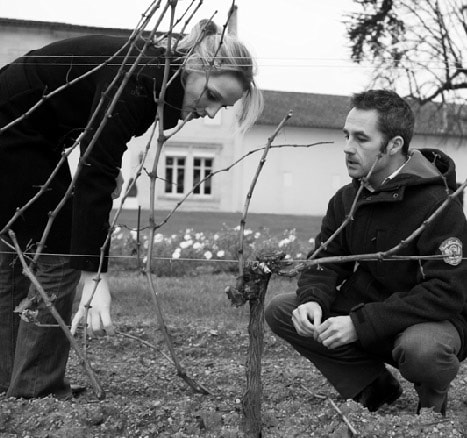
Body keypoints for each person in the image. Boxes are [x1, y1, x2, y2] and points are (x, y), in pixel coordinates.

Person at [0, 19, 262, 399]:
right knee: (57, 252)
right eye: (213, 96)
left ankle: (10, 381)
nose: (211, 112)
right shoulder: (140, 81)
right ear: (194, 68)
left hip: (24, 130)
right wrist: (94, 277)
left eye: (222, 105)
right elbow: (94, 170)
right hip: (13, 129)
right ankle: (35, 391)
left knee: (15, 254)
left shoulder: (151, 75)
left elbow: (99, 149)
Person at [265, 90, 467, 415]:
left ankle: (431, 405)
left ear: (394, 145)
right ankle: (373, 385)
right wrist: (313, 299)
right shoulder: (347, 199)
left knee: (423, 349)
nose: (347, 148)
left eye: (361, 139)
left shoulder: (439, 205)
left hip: (426, 322)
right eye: (346, 136)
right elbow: (325, 261)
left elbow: (446, 293)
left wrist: (359, 324)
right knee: (282, 309)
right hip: (365, 313)